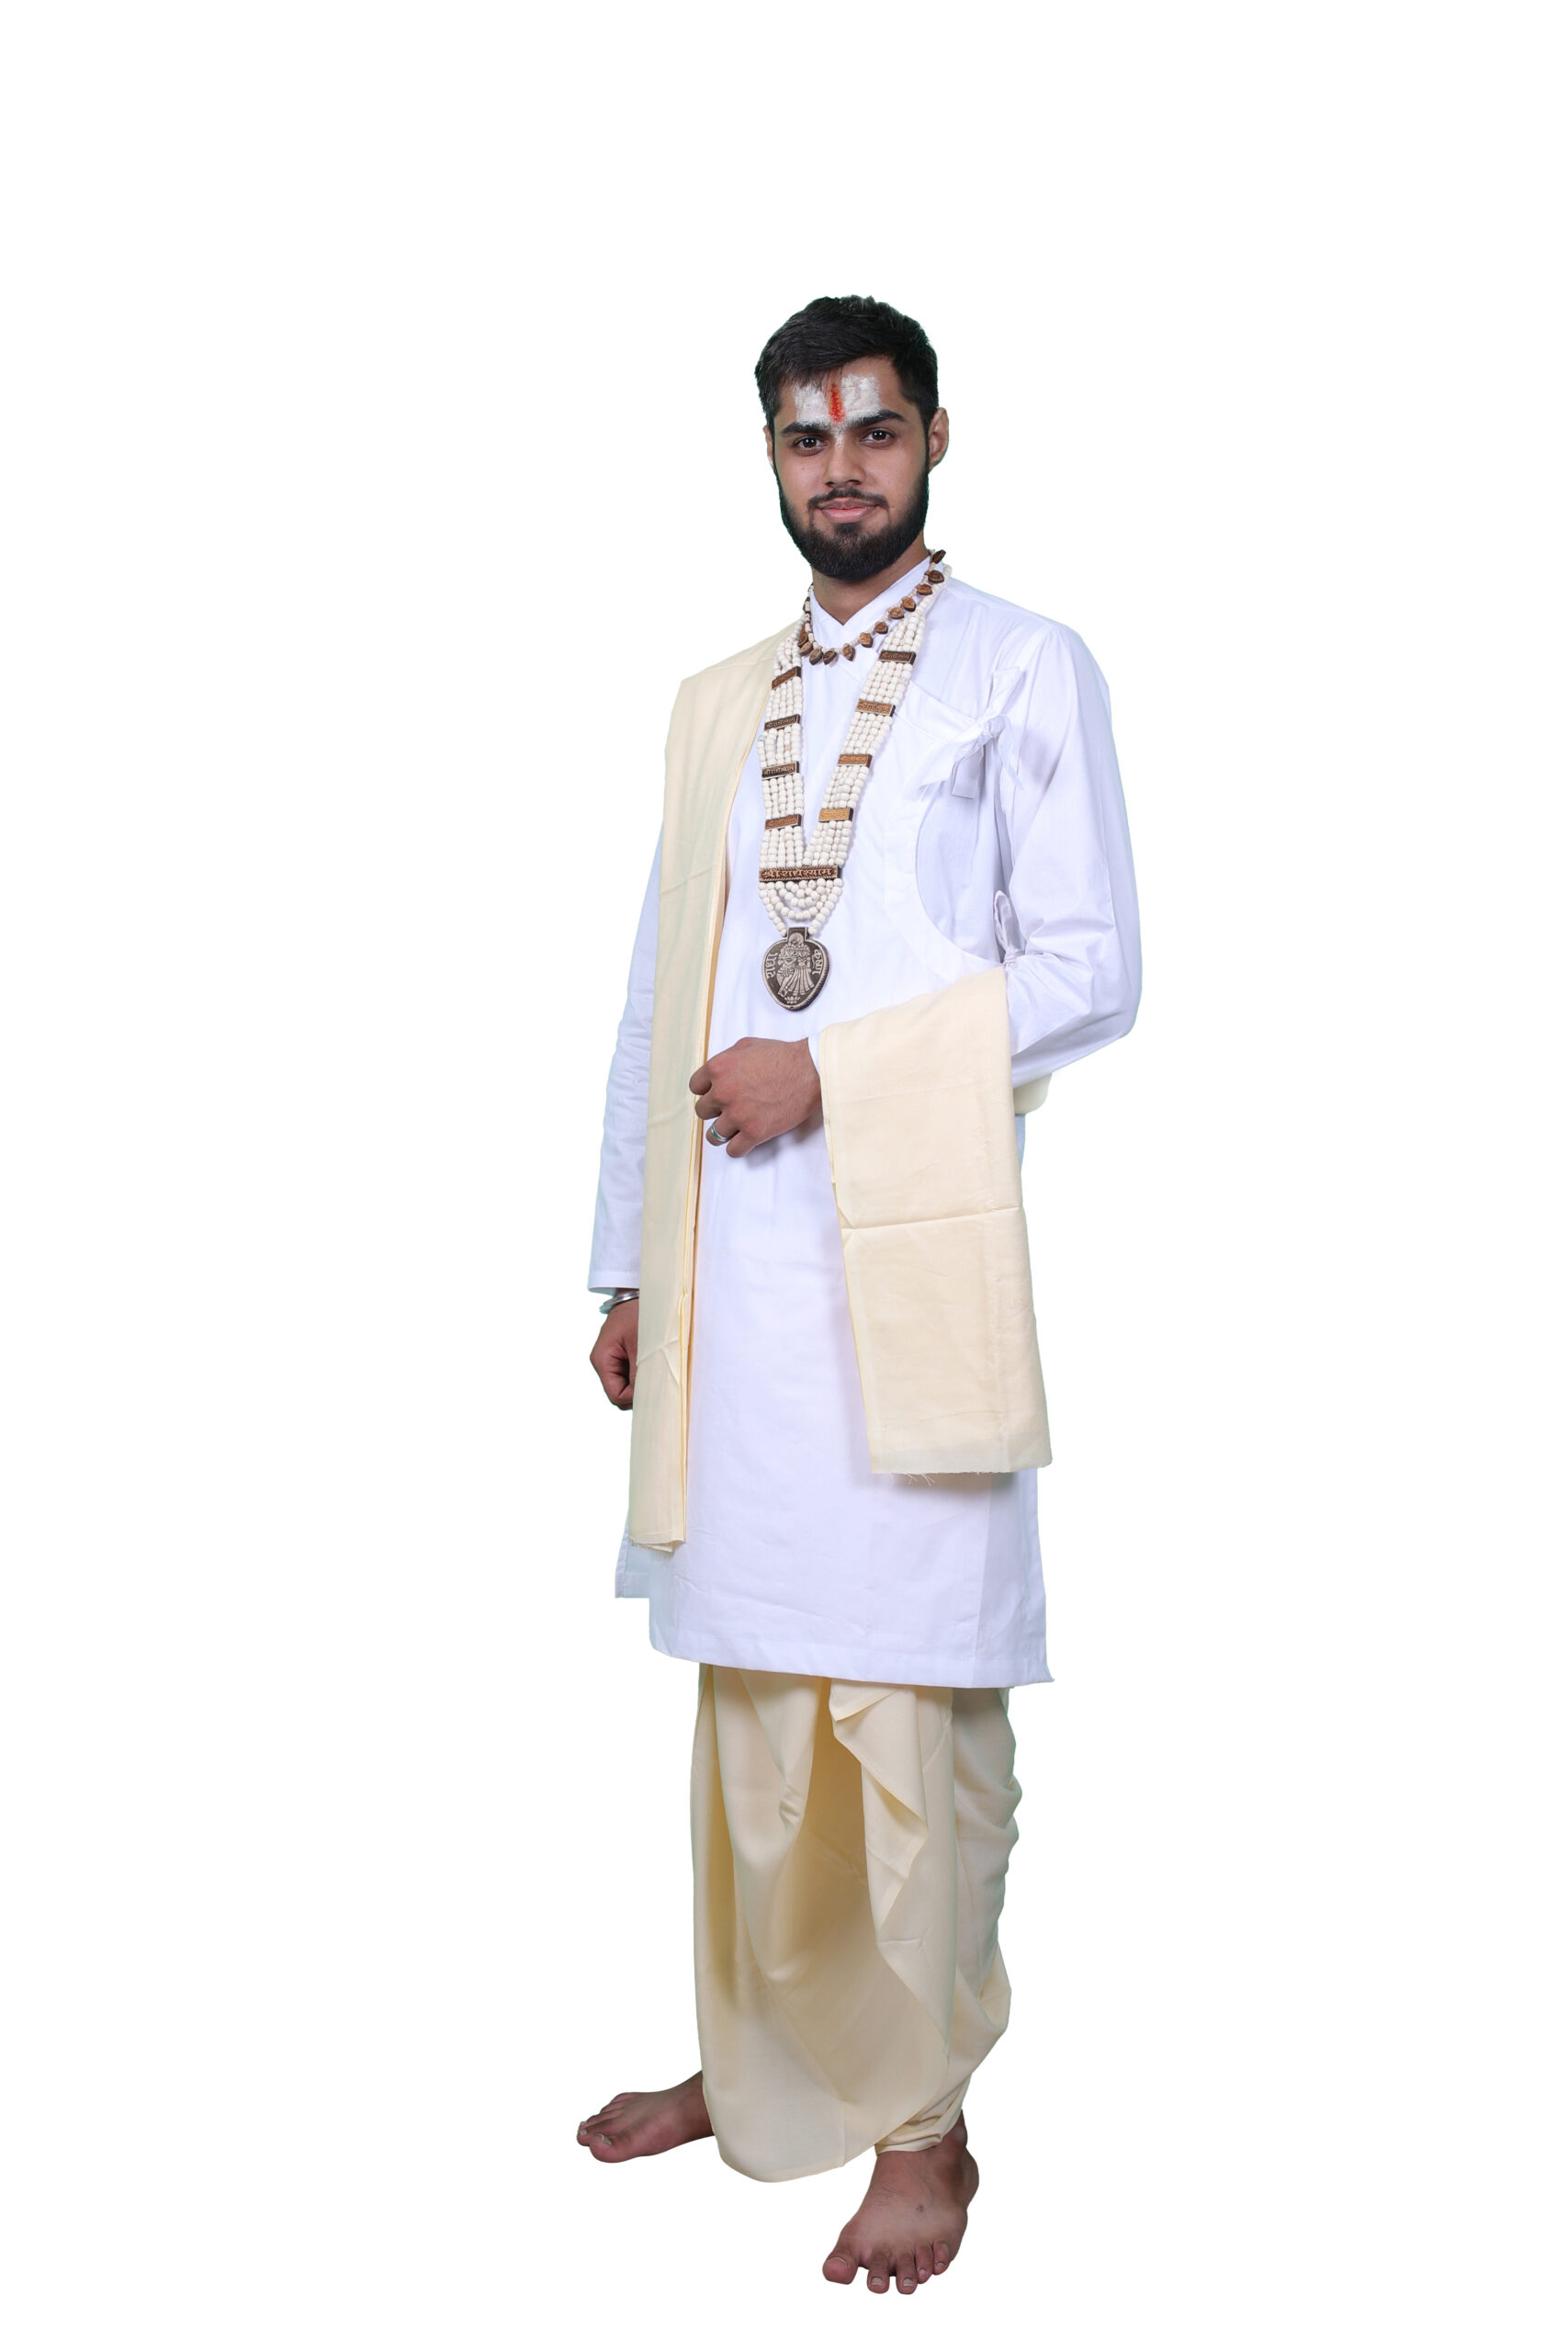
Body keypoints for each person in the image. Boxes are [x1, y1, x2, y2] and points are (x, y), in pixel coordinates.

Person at [579, 294, 1141, 2294]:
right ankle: (762, 2066)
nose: (842, 469)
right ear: (772, 456)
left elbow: (1092, 969)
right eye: (807, 438)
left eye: (874, 430)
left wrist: (830, 1069)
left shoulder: (1018, 667)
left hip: (909, 1273)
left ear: (933, 439)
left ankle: (924, 2125)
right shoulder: (717, 702)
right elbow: (661, 996)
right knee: (752, 1713)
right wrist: (628, 1261)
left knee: (910, 1728)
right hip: (730, 1286)